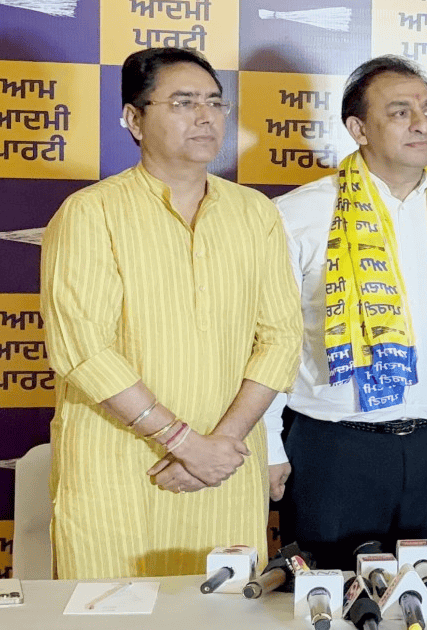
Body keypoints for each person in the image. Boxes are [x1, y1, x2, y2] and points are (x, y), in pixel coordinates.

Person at [40, 47, 302, 578]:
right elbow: (84, 351)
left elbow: (281, 338)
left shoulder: (255, 213)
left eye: (214, 102)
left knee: (223, 608)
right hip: (120, 469)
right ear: (134, 119)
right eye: (183, 102)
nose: (205, 117)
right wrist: (184, 444)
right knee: (111, 608)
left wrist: (219, 445)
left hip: (225, 468)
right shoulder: (90, 213)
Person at [264, 56, 427, 568]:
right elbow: (266, 337)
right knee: (330, 595)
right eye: (400, 112)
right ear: (358, 129)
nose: (421, 124)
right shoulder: (297, 214)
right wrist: (269, 445)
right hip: (334, 447)